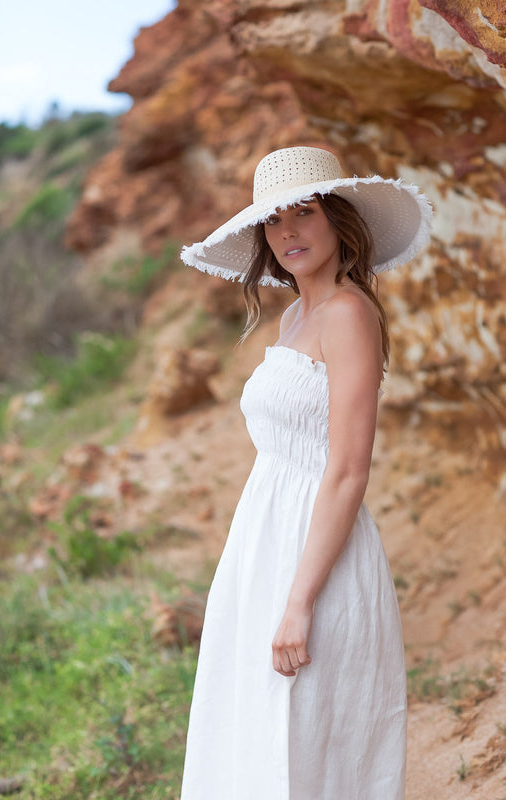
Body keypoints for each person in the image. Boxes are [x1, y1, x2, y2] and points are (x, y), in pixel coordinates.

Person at [179, 145, 433, 800]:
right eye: (273, 220)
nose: (288, 232)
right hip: (264, 542)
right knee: (262, 733)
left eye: (305, 212)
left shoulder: (348, 316)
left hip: (316, 555)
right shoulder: (294, 316)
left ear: (336, 219)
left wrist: (298, 601)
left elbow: (347, 470)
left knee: (310, 738)